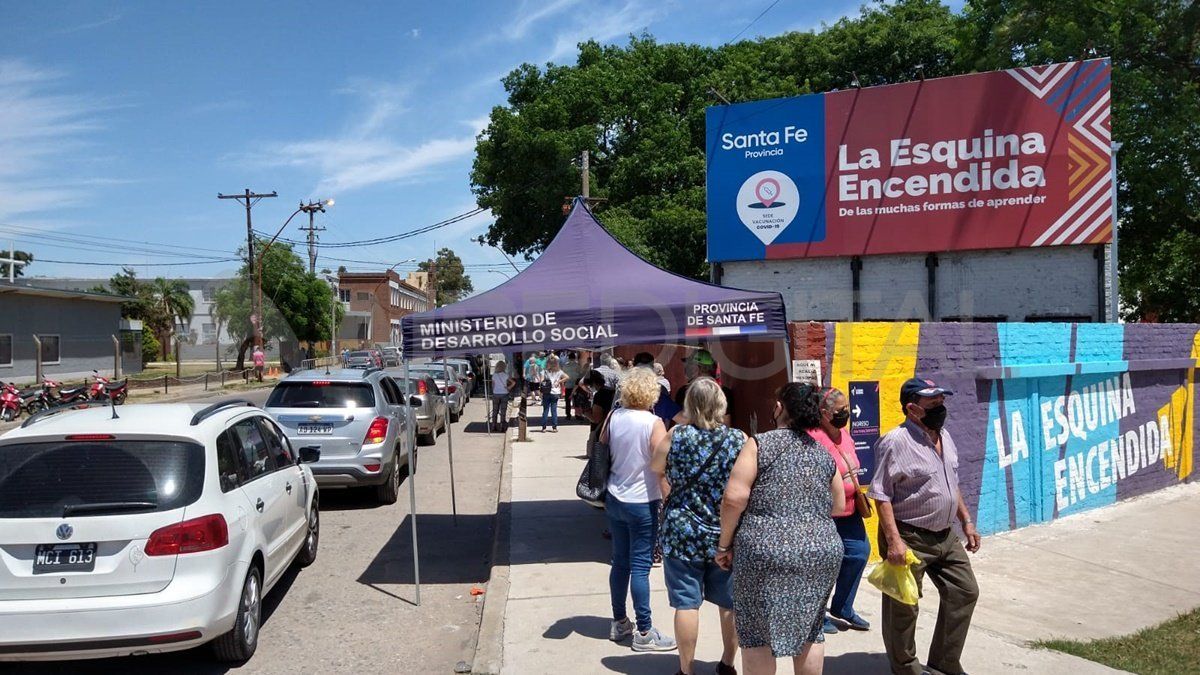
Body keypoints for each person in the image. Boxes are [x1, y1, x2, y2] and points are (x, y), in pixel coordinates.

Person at [716, 383, 846, 675]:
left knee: (757, 631)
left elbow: (734, 497)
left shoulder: (759, 443)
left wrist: (725, 545)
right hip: (820, 550)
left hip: (764, 550)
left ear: (780, 408)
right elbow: (838, 505)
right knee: (811, 630)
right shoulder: (822, 453)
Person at [868, 378, 980, 675]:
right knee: (903, 607)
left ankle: (945, 662)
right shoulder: (895, 442)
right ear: (912, 409)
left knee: (964, 591)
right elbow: (881, 494)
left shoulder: (945, 436)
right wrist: (894, 542)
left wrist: (965, 520)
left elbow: (950, 484)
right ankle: (905, 667)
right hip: (909, 537)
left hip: (945, 536)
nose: (940, 409)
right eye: (933, 405)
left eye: (941, 403)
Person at [651, 377, 752, 675]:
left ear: (690, 405)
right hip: (725, 532)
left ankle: (686, 669)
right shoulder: (739, 439)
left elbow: (657, 468)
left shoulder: (675, 435)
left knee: (686, 603)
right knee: (729, 603)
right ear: (720, 404)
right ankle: (727, 664)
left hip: (682, 531)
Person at [605, 367, 676, 653]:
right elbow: (661, 468)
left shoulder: (614, 416)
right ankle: (644, 631)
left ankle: (620, 620)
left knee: (619, 562)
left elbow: (602, 450)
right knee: (640, 567)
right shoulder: (653, 423)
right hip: (642, 501)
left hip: (614, 497)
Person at [809, 388, 871, 634]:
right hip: (825, 514)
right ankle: (816, 615)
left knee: (859, 553)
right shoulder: (814, 438)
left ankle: (843, 606)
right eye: (840, 410)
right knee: (825, 563)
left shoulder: (845, 434)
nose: (846, 413)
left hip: (851, 511)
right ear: (823, 413)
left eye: (846, 409)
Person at [675, 350, 734, 427]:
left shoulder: (684, 392)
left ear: (697, 368)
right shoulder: (723, 392)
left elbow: (679, 424)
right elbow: (726, 424)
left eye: (690, 365)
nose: (686, 368)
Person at [540, 355, 569, 432]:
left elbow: (541, 381)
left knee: (545, 410)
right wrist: (559, 381)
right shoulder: (559, 372)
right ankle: (554, 427)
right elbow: (567, 377)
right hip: (555, 392)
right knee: (554, 410)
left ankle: (544, 427)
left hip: (546, 392)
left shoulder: (544, 371)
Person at [490, 361, 515, 432]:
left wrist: (494, 391)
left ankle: (493, 425)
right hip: (504, 393)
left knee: (495, 411)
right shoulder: (506, 375)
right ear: (504, 367)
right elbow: (513, 382)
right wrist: (509, 387)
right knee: (503, 411)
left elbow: (493, 385)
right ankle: (502, 426)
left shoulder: (494, 375)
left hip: (496, 394)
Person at [563, 352, 582, 419]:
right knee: (576, 401)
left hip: (568, 385)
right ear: (575, 358)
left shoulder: (565, 365)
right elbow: (580, 374)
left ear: (568, 358)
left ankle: (568, 415)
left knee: (568, 401)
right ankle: (577, 415)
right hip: (575, 385)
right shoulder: (578, 365)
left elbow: (563, 375)